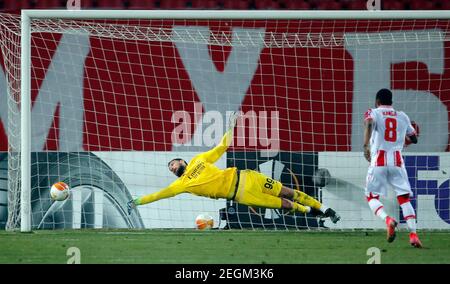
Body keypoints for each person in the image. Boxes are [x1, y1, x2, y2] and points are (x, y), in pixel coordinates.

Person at [128, 112, 340, 225]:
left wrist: (231, 126)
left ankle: (324, 209)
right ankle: (310, 211)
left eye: (173, 165)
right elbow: (158, 195)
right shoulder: (181, 185)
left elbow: (222, 146)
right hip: (242, 194)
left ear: (182, 161)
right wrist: (136, 201)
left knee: (288, 191)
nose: (173, 169)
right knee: (284, 204)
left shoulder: (199, 160)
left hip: (248, 177)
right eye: (171, 169)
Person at [363, 88, 422, 248]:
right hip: (397, 162)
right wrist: (402, 139)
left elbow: (368, 122)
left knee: (371, 197)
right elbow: (414, 138)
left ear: (377, 101)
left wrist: (366, 145)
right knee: (404, 199)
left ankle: (388, 220)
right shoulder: (402, 116)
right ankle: (414, 235)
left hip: (378, 162)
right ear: (392, 102)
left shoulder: (373, 112)